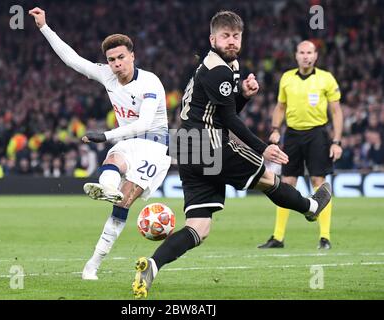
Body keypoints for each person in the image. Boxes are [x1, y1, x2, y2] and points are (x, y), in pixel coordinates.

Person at [132, 11, 332, 299]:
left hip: (186, 146)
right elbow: (227, 119)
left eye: (236, 36)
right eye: (225, 36)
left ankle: (152, 265)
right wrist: (263, 147)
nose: (232, 41)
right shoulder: (220, 70)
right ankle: (310, 208)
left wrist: (244, 96)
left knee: (199, 227)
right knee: (267, 177)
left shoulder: (229, 66)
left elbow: (223, 109)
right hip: (208, 142)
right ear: (212, 38)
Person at [29, 7, 171, 280]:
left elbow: (143, 123)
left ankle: (94, 262)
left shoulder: (150, 82)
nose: (116, 64)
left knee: (124, 204)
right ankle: (107, 189)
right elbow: (73, 60)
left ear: (132, 56)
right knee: (113, 161)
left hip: (154, 146)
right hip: (127, 141)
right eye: (111, 59)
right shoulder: (106, 75)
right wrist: (45, 27)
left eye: (121, 58)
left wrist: (103, 135)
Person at [258, 40, 343, 250]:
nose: (306, 56)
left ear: (315, 56)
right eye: (302, 52)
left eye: (310, 53)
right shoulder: (287, 78)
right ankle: (277, 237)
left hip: (317, 134)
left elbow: (336, 112)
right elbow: (280, 106)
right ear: (296, 55)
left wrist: (336, 141)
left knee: (318, 180)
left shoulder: (326, 79)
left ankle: (325, 237)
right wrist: (276, 129)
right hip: (293, 134)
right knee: (286, 183)